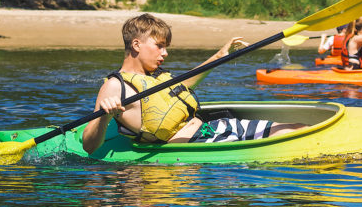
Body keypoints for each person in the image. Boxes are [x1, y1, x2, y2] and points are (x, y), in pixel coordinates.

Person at [82, 13, 306, 154]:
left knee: (296, 129)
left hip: (215, 129)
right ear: (137, 45)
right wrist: (105, 116)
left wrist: (220, 56)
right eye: (159, 46)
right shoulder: (115, 86)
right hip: (197, 145)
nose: (165, 53)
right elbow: (89, 146)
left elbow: (183, 85)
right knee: (293, 139)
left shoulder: (154, 75)